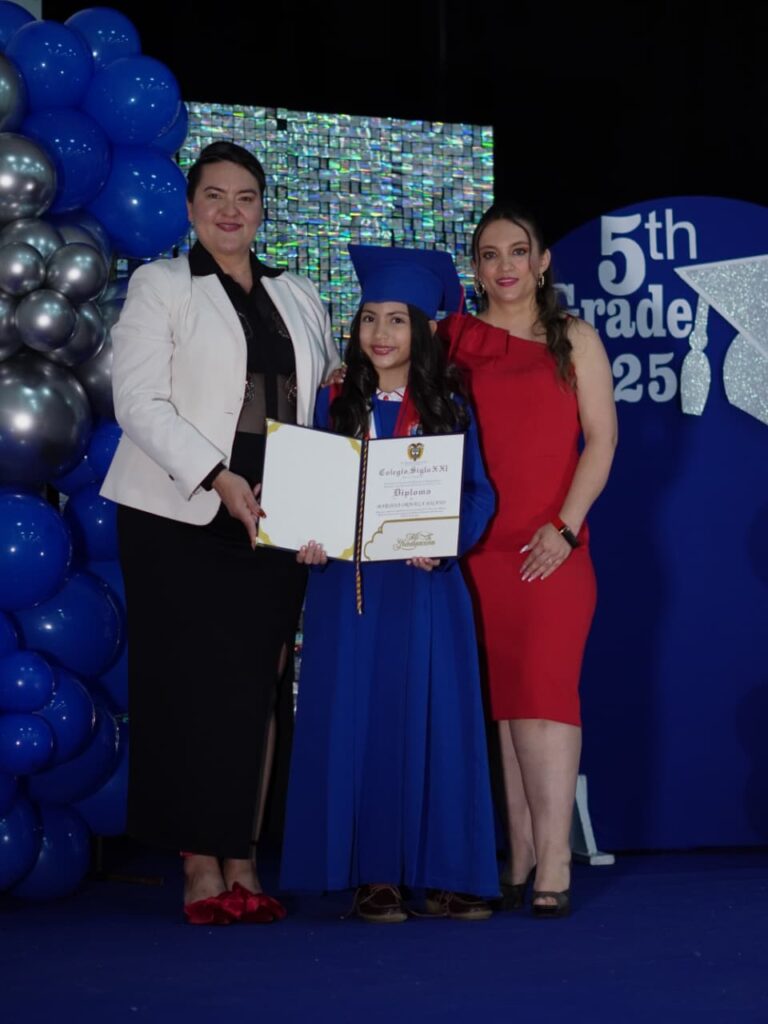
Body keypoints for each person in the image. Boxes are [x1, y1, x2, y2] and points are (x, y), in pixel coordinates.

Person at [101, 141, 340, 925]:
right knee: (186, 686)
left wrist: (327, 501)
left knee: (258, 685)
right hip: (180, 512)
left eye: (245, 197)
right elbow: (138, 402)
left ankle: (243, 854)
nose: (230, 210)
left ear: (263, 208)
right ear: (191, 207)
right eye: (214, 195)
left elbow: (325, 395)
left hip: (276, 513)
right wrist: (217, 476)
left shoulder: (298, 292)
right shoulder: (161, 284)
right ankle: (200, 863)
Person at [279, 245, 500, 923]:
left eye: (397, 320)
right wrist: (304, 536)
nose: (380, 333)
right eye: (369, 317)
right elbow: (305, 489)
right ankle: (373, 873)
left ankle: (449, 872)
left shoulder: (449, 404)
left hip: (425, 583)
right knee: (361, 719)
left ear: (425, 329)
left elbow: (479, 494)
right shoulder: (333, 399)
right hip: (348, 590)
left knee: (438, 720)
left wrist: (446, 540)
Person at [437, 203, 617, 918]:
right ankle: (518, 856)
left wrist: (565, 528)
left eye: (518, 251)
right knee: (507, 705)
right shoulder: (453, 339)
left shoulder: (575, 338)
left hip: (553, 546)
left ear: (542, 262)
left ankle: (556, 859)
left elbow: (602, 440)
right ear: (476, 268)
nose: (505, 265)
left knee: (546, 698)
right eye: (490, 254)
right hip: (479, 548)